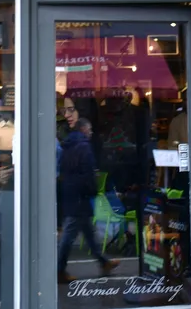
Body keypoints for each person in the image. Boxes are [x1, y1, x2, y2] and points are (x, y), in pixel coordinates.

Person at [57, 118, 118, 283]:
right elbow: (89, 171)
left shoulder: (67, 146)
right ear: (83, 129)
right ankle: (59, 269)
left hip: (70, 193)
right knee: (69, 234)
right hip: (81, 195)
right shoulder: (84, 147)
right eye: (89, 130)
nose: (91, 133)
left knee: (88, 231)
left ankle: (103, 262)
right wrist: (93, 189)